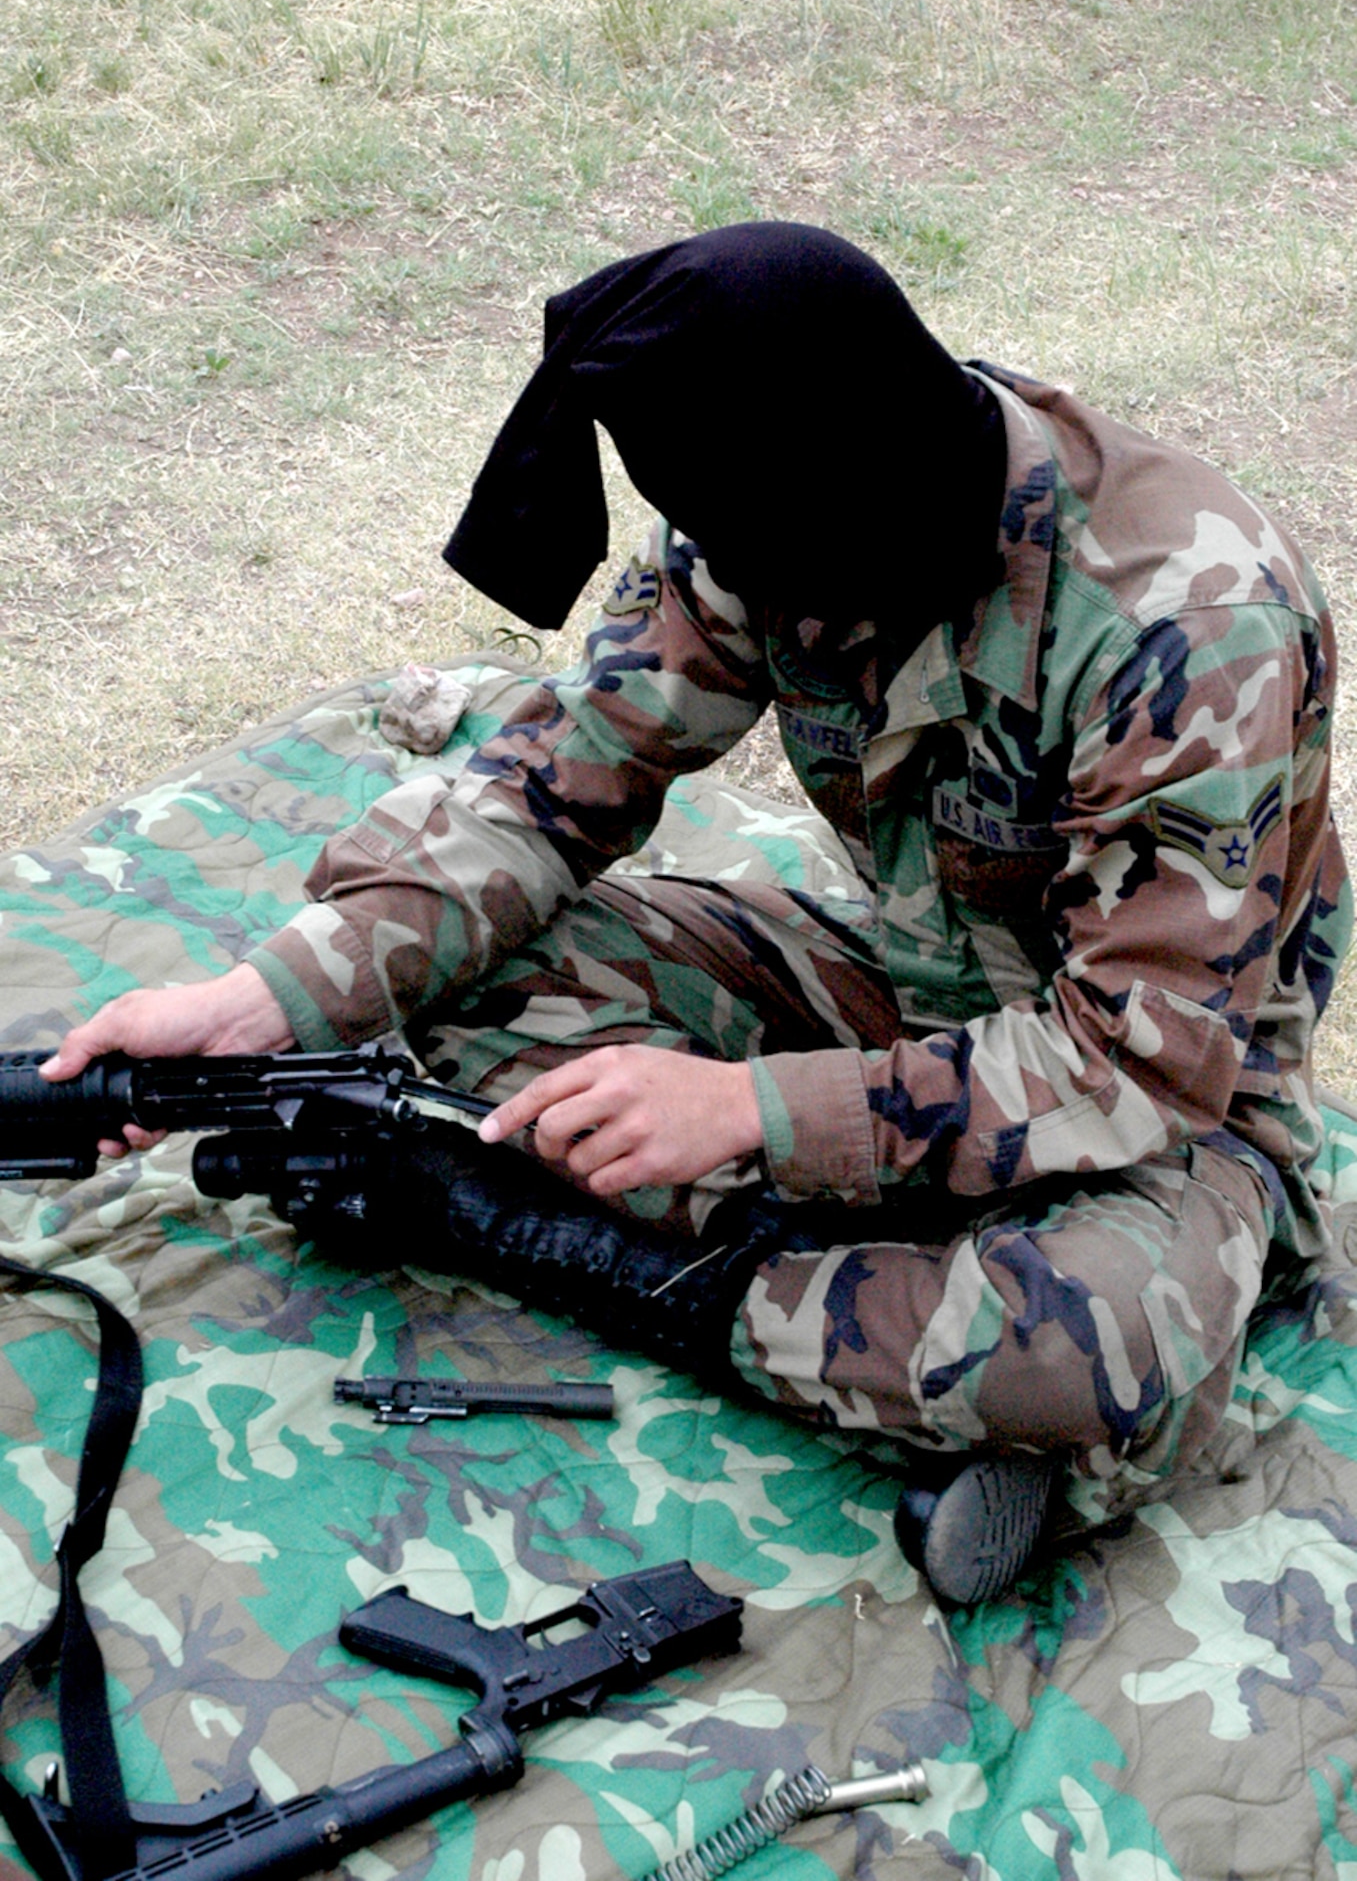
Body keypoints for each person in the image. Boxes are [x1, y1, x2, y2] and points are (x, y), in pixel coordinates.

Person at [41, 223, 1352, 1606]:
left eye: (776, 561)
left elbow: (1139, 1059)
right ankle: (852, 1310)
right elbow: (544, 792)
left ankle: (624, 1257)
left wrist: (750, 1115)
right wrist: (261, 1006)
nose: (753, 592)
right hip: (907, 987)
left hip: (1161, 1099)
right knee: (449, 981)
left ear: (871, 492)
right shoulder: (777, 501)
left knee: (1070, 1350)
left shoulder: (1189, 624)